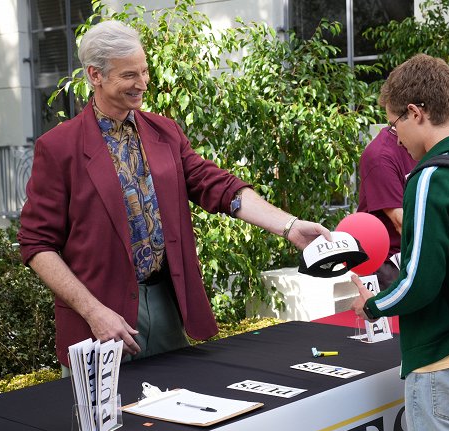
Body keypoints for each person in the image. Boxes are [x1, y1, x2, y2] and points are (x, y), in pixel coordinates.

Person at [17, 20, 330, 375]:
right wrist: (93, 311)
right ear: (95, 75)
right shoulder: (58, 148)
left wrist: (288, 226)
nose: (143, 83)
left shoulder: (165, 132)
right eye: (129, 75)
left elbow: (218, 186)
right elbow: (36, 244)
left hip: (168, 306)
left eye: (145, 71)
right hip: (100, 321)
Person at [350, 53, 449, 431]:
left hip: (442, 360)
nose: (396, 136)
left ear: (415, 112)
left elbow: (419, 281)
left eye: (393, 124)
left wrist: (372, 305)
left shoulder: (429, 178)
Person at [357, 128, 417, 290]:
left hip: (410, 255)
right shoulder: (381, 155)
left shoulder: (421, 145)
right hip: (386, 263)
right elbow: (401, 222)